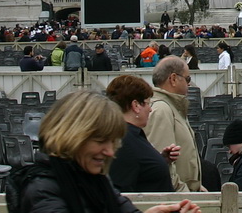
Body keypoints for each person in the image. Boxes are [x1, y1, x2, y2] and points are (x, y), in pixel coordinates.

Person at [13, 90, 201, 213]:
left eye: (113, 142)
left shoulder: (96, 180)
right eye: (101, 141)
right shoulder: (42, 191)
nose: (110, 152)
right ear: (70, 136)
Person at [105, 75, 174, 193]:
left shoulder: (129, 136)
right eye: (148, 103)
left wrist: (161, 159)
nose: (150, 109)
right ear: (136, 106)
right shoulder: (124, 140)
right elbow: (121, 190)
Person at [145, 57, 203, 192]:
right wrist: (185, 193)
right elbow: (162, 166)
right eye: (187, 79)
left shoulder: (172, 108)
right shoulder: (161, 110)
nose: (189, 84)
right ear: (173, 79)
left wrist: (196, 187)